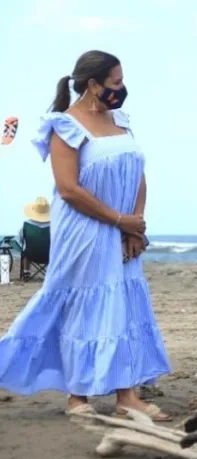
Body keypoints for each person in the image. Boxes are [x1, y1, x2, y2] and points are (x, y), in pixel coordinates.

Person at [0, 50, 172, 420]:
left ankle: (127, 396)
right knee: (84, 305)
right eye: (115, 82)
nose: (122, 88)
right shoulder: (65, 126)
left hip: (122, 228)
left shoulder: (121, 120)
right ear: (93, 85)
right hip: (85, 232)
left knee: (123, 306)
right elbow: (69, 189)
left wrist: (134, 224)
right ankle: (78, 396)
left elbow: (137, 174)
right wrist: (118, 220)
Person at [18, 196, 51, 280]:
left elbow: (21, 240)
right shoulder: (53, 226)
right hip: (49, 255)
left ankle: (26, 272)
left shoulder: (26, 225)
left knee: (25, 252)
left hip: (31, 255)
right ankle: (51, 272)